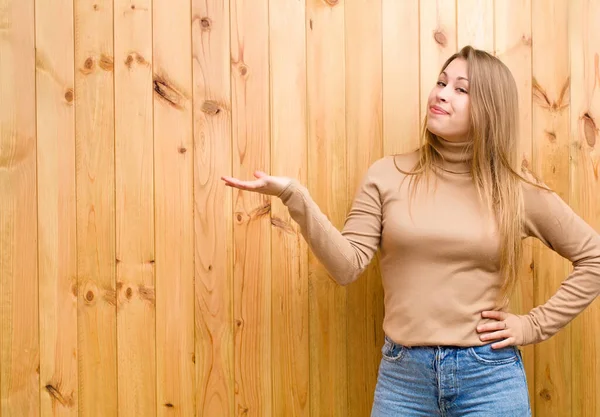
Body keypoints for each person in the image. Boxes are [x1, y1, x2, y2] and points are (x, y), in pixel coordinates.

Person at [221, 45, 600, 416]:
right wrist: (294, 195)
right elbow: (346, 266)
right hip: (404, 380)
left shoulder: (515, 190)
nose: (441, 93)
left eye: (461, 88)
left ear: (491, 107)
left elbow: (594, 258)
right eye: (441, 82)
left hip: (489, 379)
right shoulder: (388, 175)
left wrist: (531, 325)